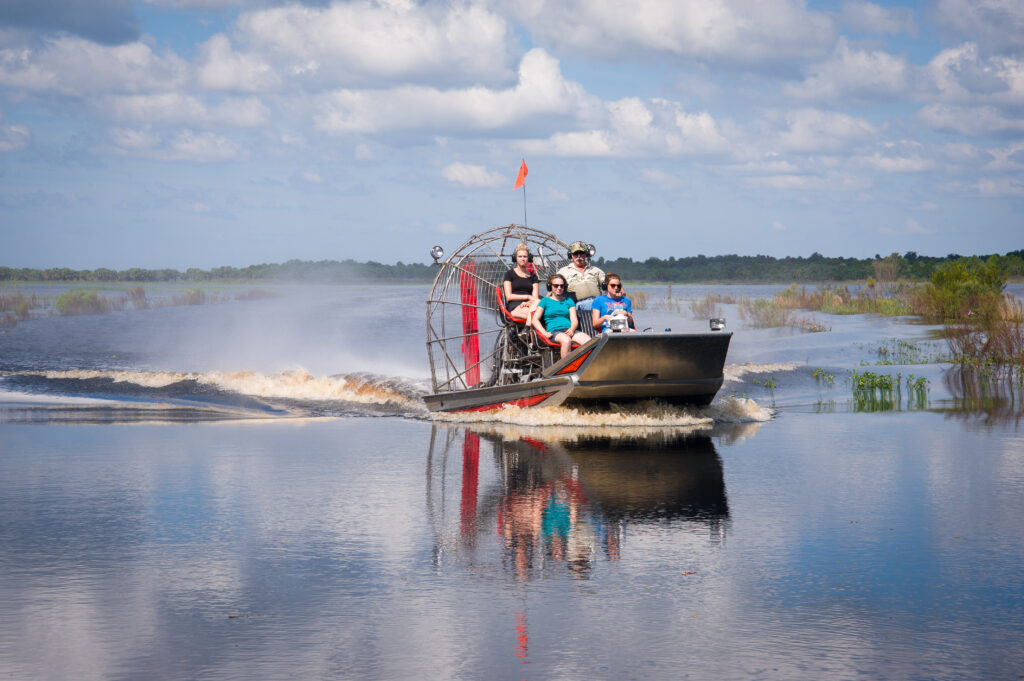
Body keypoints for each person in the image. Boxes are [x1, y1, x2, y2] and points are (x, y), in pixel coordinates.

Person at [533, 274, 591, 358]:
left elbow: (574, 319)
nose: (559, 288)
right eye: (556, 286)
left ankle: (584, 365)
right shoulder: (545, 301)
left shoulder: (569, 301)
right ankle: (567, 368)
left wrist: (572, 329)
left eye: (562, 286)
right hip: (555, 331)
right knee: (566, 340)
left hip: (569, 330)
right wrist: (544, 332)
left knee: (588, 341)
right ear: (550, 287)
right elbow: (535, 319)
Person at [557, 241, 605, 312]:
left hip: (597, 302)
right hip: (577, 305)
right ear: (571, 256)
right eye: (576, 254)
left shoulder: (596, 270)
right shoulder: (563, 272)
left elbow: (609, 282)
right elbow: (553, 288)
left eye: (581, 253)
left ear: (586, 254)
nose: (579, 256)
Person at [502, 243, 540, 324]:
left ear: (528, 258)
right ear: (515, 258)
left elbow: (535, 297)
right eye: (520, 256)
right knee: (535, 316)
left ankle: (526, 331)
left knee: (540, 312)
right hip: (515, 304)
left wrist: (527, 302)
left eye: (525, 256)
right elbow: (509, 297)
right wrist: (527, 296)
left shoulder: (533, 277)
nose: (523, 259)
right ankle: (526, 329)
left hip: (529, 304)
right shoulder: (509, 274)